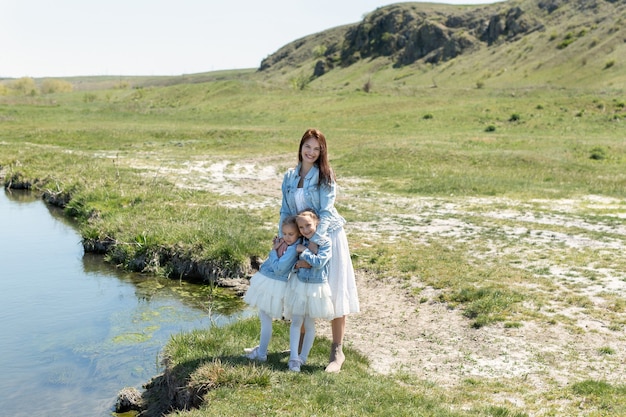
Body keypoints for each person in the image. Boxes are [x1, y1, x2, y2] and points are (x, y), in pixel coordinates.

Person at [278, 128, 360, 373]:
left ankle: (337, 351)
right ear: (301, 146)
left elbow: (325, 212)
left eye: (317, 148)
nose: (311, 152)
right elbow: (286, 211)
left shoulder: (325, 176)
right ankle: (301, 345)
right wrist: (285, 239)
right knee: (302, 290)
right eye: (308, 146)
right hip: (302, 239)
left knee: (334, 291)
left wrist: (315, 244)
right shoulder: (290, 176)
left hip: (327, 238)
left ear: (322, 152)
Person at [242, 216, 302, 362]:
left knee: (266, 319)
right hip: (269, 280)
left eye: (291, 234)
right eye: (285, 234)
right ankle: (261, 348)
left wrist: (273, 251)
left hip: (274, 283)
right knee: (264, 317)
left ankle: (262, 354)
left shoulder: (292, 249)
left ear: (298, 234)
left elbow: (279, 268)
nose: (287, 237)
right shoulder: (287, 244)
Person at [283, 209, 335, 372]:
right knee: (297, 320)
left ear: (317, 224)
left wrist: (304, 253)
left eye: (308, 226)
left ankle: (303, 357)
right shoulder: (301, 241)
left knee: (310, 323)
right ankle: (294, 358)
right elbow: (293, 260)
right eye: (301, 227)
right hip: (299, 284)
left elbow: (319, 262)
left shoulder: (325, 242)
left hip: (316, 286)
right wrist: (299, 262)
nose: (305, 230)